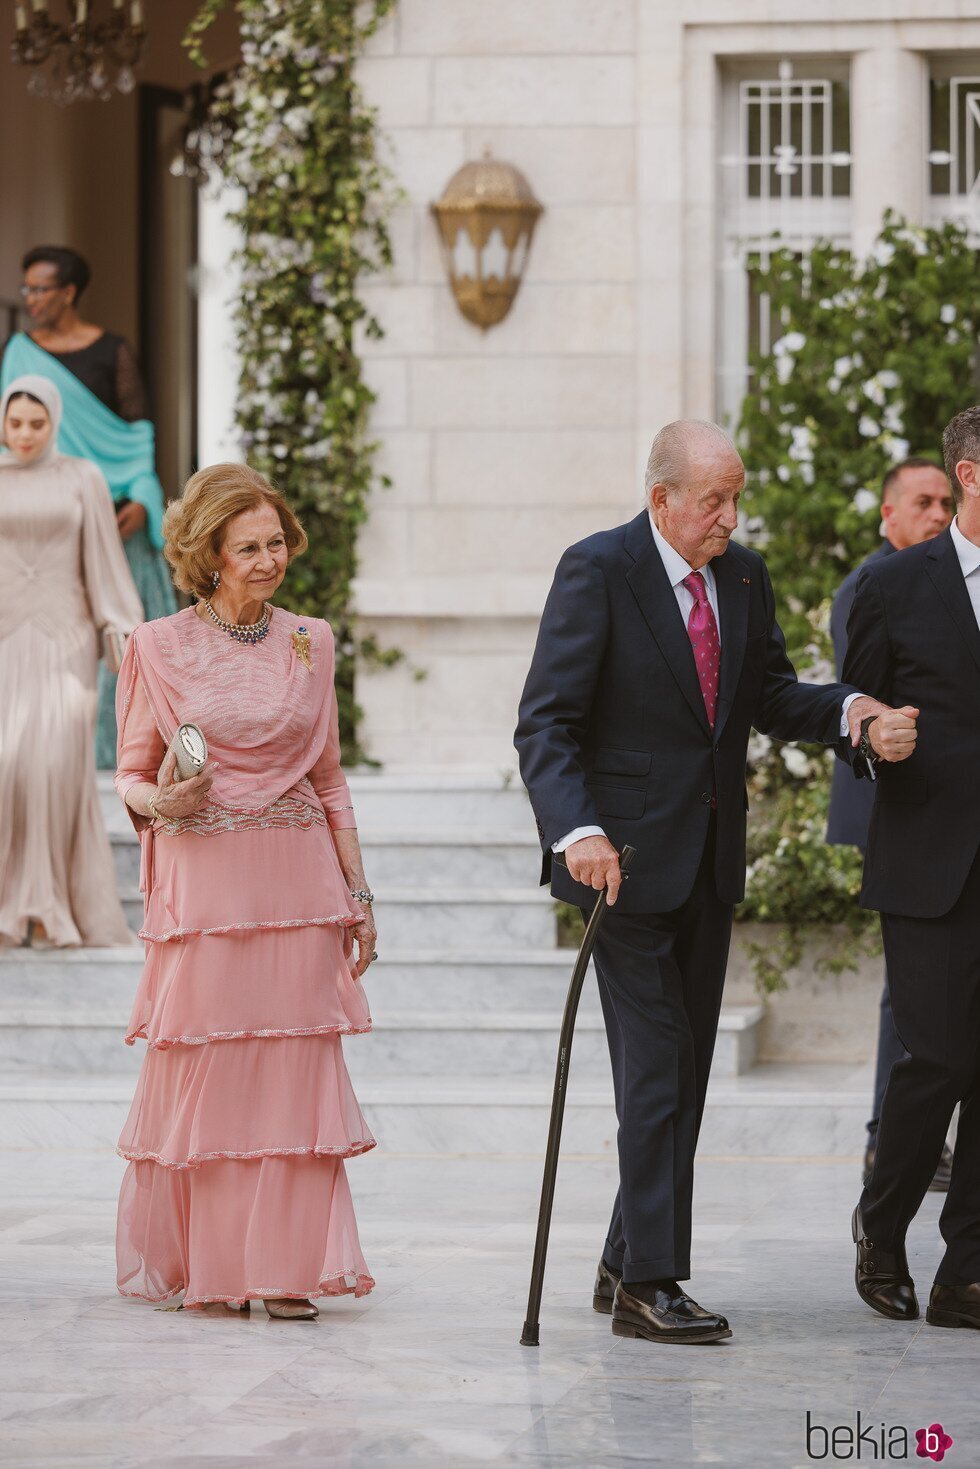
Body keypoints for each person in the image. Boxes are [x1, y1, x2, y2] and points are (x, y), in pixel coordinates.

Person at [515, 419, 913, 1345]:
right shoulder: (597, 569)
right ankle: (650, 1283)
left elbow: (768, 693)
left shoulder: (742, 575)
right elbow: (546, 722)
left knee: (682, 1074)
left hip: (709, 862)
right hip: (619, 868)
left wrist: (854, 709)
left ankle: (624, 1253)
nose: (731, 516)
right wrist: (577, 829)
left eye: (736, 497)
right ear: (662, 499)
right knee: (657, 1068)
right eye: (714, 500)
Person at [113, 461, 378, 1318]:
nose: (268, 560)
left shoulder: (311, 640)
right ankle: (222, 1268)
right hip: (209, 892)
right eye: (248, 547)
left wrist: (359, 893)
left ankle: (286, 1268)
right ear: (209, 556)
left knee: (294, 1075)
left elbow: (331, 778)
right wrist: (164, 800)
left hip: (299, 887)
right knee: (220, 1076)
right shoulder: (157, 646)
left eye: (276, 543)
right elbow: (130, 775)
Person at [844, 406, 980, 1330]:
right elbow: (855, 713)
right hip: (932, 859)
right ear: (973, 473)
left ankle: (967, 1267)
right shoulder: (893, 585)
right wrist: (874, 737)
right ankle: (883, 1227)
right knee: (930, 1061)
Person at [826, 458, 955, 1190]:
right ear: (887, 514)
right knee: (902, 986)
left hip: (933, 813)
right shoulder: (873, 585)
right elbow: (864, 699)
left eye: (945, 501)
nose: (936, 514)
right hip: (893, 808)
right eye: (921, 502)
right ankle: (888, 1136)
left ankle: (904, 1136)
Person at [0, 245, 176, 767]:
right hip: (52, 523)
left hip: (117, 515)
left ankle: (133, 758)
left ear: (69, 292)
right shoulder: (19, 353)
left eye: (40, 289)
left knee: (125, 644)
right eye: (26, 288)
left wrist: (144, 499)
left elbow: (139, 436)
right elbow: (13, 436)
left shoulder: (112, 350)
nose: (30, 298)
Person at [0, 374, 142, 948]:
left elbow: (104, 559)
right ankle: (16, 905)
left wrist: (121, 628)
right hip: (6, 635)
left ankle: (53, 905)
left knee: (56, 766)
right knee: (9, 765)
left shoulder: (83, 477)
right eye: (15, 424)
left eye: (37, 423)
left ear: (55, 422)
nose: (26, 434)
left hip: (67, 637)